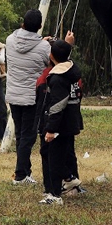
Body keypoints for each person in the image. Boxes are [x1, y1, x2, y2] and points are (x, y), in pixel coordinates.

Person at [6, 9, 52, 185]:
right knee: (28, 136)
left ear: (22, 23)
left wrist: (41, 42)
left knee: (20, 134)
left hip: (13, 94)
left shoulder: (10, 40)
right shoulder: (44, 47)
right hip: (32, 97)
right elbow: (48, 63)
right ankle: (20, 174)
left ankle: (25, 173)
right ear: (40, 26)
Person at [37, 40, 83, 206]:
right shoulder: (72, 70)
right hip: (70, 122)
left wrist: (51, 129)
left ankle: (55, 195)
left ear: (51, 56)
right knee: (48, 152)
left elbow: (57, 105)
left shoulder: (58, 78)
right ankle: (70, 178)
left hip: (60, 125)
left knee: (54, 158)